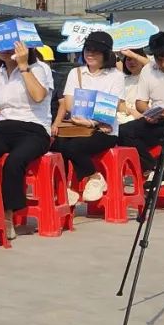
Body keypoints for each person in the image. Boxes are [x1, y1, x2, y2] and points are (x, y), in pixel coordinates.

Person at [0, 40, 54, 239]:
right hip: (4, 127)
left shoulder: (39, 68)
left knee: (14, 161)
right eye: (1, 46)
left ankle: (8, 216)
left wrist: (23, 66)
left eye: (11, 46)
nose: (6, 50)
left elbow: (38, 96)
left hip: (34, 129)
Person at [51, 30, 125, 203]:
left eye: (96, 51)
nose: (90, 54)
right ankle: (65, 189)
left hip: (105, 130)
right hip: (78, 125)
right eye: (87, 50)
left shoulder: (116, 76)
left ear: (106, 54)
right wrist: (91, 114)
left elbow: (111, 108)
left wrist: (92, 122)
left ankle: (94, 177)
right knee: (58, 145)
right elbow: (70, 104)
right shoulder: (76, 73)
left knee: (74, 147)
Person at [118, 32, 164, 185]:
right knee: (123, 132)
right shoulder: (149, 69)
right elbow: (140, 103)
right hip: (159, 119)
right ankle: (154, 168)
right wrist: (149, 112)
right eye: (160, 60)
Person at [119, 48, 149, 123]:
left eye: (135, 59)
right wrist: (130, 111)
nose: (132, 62)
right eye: (128, 59)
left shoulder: (151, 76)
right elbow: (120, 104)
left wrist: (134, 55)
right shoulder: (123, 80)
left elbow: (152, 66)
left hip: (147, 118)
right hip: (125, 117)